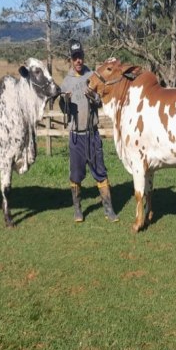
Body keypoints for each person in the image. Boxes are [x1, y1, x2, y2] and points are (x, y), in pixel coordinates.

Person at [59, 39, 119, 223]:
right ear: (71, 59)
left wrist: (94, 97)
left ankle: (109, 210)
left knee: (100, 171)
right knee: (76, 175)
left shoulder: (93, 75)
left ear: (83, 57)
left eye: (80, 57)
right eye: (75, 57)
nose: (78, 61)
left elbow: (100, 100)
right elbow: (64, 109)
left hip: (92, 134)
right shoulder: (66, 83)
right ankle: (77, 210)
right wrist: (65, 102)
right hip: (76, 137)